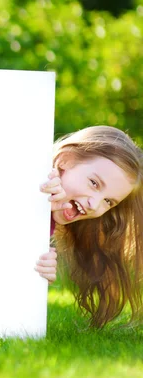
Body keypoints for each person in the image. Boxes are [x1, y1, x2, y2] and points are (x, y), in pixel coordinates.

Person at [37, 125, 143, 328]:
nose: (94, 205)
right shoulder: (37, 183)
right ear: (65, 160)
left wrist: (38, 271)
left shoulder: (48, 222)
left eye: (108, 201)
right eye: (94, 183)